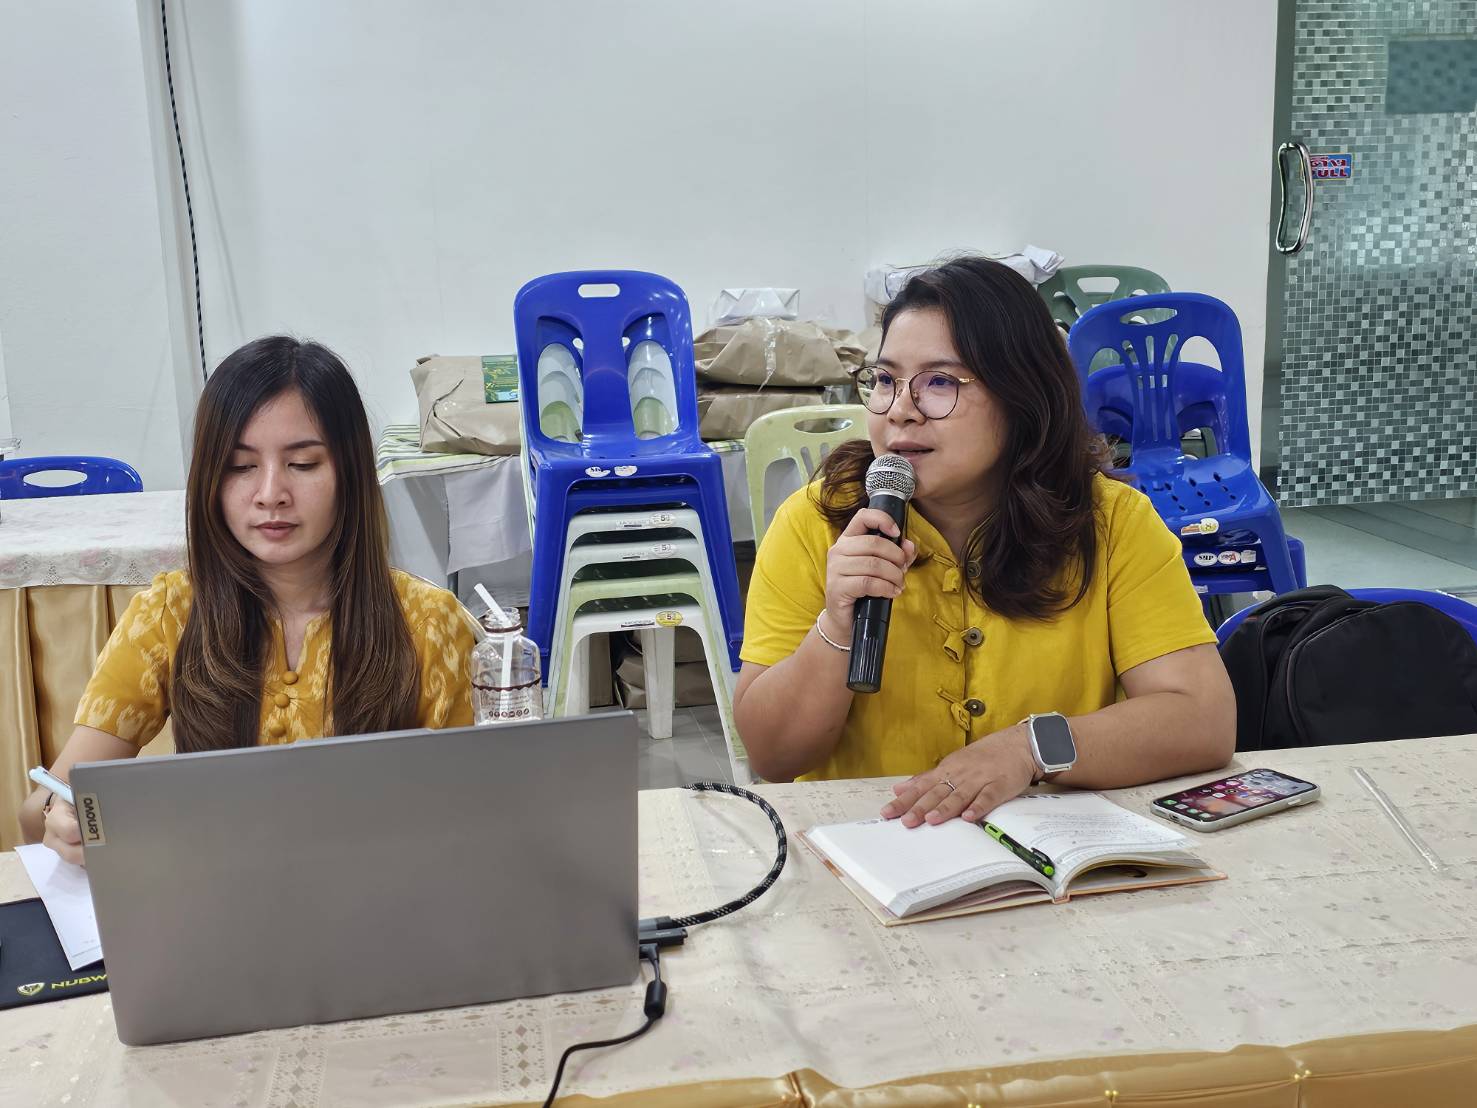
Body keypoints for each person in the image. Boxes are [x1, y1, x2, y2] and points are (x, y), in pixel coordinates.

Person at [733, 257, 1235, 826]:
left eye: (939, 383)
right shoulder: (818, 521)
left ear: (1022, 396)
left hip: (1045, 849)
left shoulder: (1110, 522)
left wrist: (1029, 749)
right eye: (885, 380)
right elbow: (773, 757)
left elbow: (1202, 720)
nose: (900, 411)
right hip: (871, 847)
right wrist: (837, 627)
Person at [20, 337, 478, 862]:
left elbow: (474, 816)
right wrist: (62, 820)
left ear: (350, 474)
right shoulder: (171, 614)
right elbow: (40, 810)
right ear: (209, 482)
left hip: (380, 908)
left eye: (303, 464)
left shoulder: (428, 622)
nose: (270, 494)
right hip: (217, 906)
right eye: (240, 467)